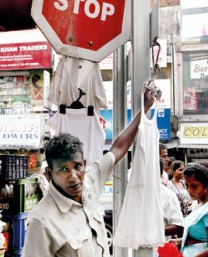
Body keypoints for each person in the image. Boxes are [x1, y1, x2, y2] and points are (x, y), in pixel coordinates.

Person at [22, 88, 155, 257]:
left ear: (84, 164)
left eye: (77, 166)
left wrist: (144, 109)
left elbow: (118, 148)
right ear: (49, 174)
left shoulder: (90, 180)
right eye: (63, 170)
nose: (74, 177)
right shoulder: (41, 222)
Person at [170, 164, 208, 257]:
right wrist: (179, 241)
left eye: (194, 186)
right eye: (187, 186)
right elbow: (200, 238)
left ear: (206, 186)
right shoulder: (200, 206)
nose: (189, 190)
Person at [153, 158, 184, 257]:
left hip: (158, 251)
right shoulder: (131, 193)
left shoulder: (167, 195)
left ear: (160, 174)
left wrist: (152, 230)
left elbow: (178, 226)